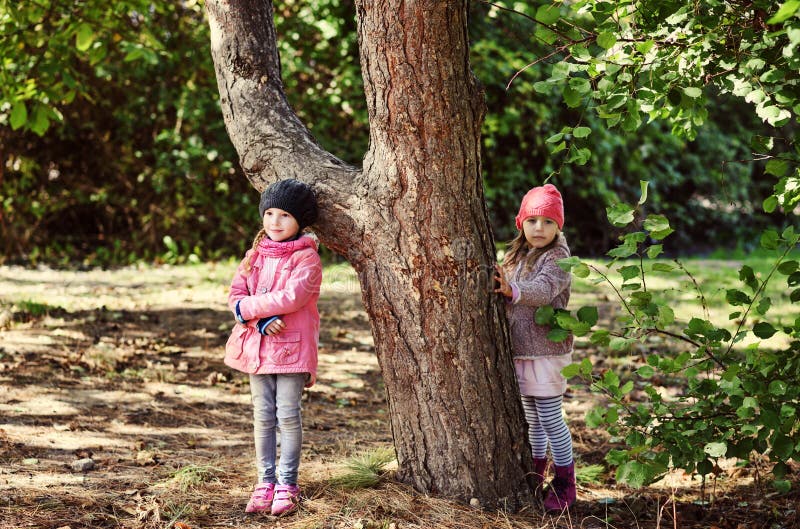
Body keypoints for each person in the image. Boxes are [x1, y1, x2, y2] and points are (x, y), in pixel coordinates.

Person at [224, 179, 322, 516]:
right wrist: (258, 321)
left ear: (300, 221)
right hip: (258, 348)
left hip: (292, 351)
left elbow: (292, 297)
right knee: (263, 417)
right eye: (269, 213)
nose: (274, 221)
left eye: (284, 215)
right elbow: (236, 297)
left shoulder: (307, 258)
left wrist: (249, 310)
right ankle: (264, 481)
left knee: (288, 417)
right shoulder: (254, 255)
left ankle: (287, 483)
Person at [493, 183, 576, 512]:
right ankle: (535, 474)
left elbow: (543, 290)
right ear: (521, 223)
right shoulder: (516, 253)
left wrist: (512, 290)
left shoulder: (559, 257)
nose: (538, 228)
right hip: (520, 349)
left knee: (551, 417)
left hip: (545, 352)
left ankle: (565, 482)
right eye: (532, 221)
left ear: (558, 226)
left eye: (547, 222)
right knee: (531, 418)